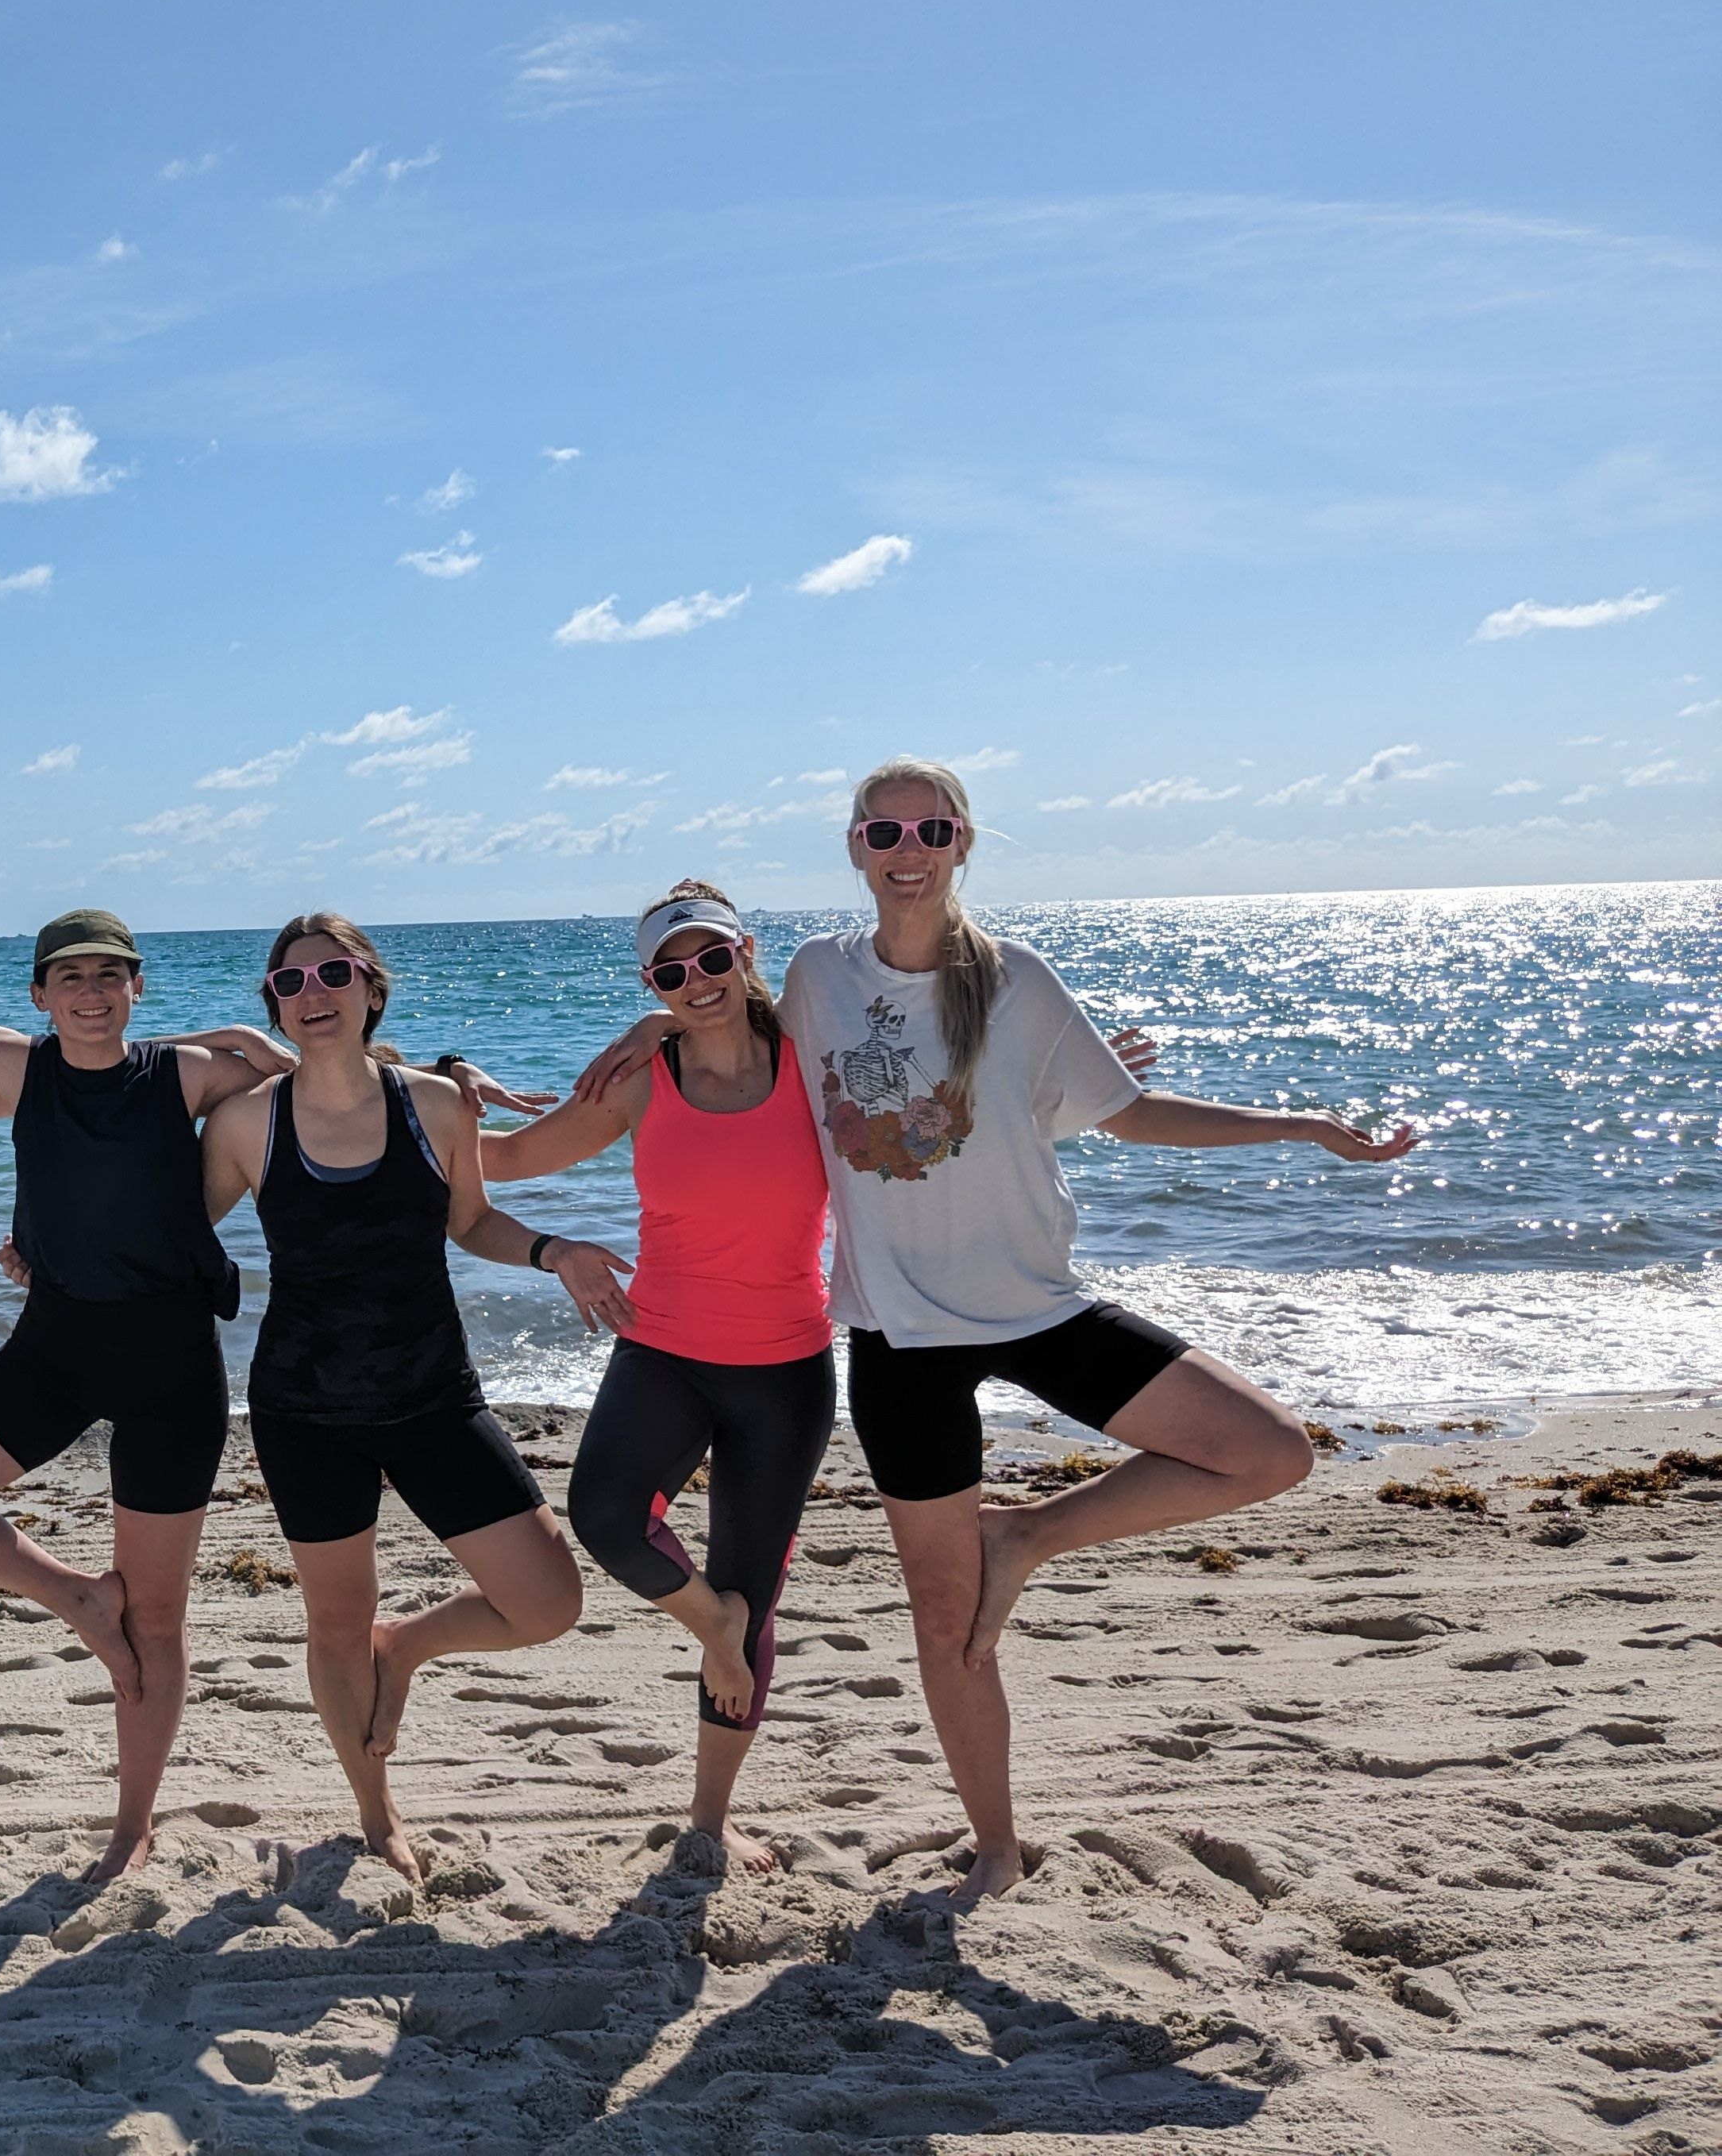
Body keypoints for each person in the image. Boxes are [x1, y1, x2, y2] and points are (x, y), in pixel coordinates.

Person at [583, 756, 1416, 1907]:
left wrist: (1301, 1126)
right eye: (884, 831)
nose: (907, 847)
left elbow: (1131, 1114)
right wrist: (644, 1020)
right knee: (945, 1616)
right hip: (899, 1342)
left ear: (964, 842)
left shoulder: (1020, 982)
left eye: (930, 827)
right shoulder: (822, 977)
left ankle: (1026, 1536)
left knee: (1269, 1449)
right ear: (856, 849)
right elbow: (718, 1010)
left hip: (1036, 1307)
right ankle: (994, 1843)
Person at [0, 908, 296, 1884]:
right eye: (70, 979)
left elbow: (331, 1082)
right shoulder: (18, 1066)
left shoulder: (188, 1073)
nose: (92, 994)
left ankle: (131, 1828)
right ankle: (75, 1595)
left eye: (111, 976)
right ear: (40, 996)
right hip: (54, 1349)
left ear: (139, 988)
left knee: (158, 1619)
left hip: (174, 1364)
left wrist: (264, 1042)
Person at [198, 912, 631, 1881]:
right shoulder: (243, 1124)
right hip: (305, 1410)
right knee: (335, 1624)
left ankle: (412, 1645)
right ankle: (375, 1811)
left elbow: (470, 1222)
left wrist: (553, 1250)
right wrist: (57, 1259)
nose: (315, 994)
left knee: (547, 1601)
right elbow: (172, 1233)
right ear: (273, 1002)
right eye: (292, 983)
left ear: (370, 989)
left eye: (334, 975)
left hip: (435, 1394)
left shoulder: (437, 1106)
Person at [449, 881, 835, 1873]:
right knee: (608, 1515)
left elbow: (936, 1061)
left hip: (787, 1365)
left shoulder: (816, 1061)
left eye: (713, 958)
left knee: (758, 1578)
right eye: (671, 971)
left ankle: (711, 1818)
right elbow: (506, 1160)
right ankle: (716, 1625)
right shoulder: (638, 1083)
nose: (696, 981)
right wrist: (442, 1099)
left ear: (747, 951)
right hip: (662, 1347)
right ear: (650, 983)